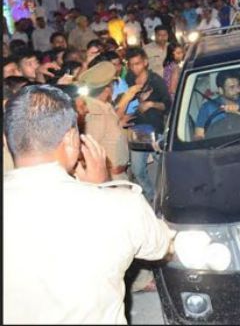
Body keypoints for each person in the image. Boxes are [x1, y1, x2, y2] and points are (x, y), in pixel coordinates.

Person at [3, 85, 173, 324]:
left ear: (5, 139)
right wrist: (105, 187)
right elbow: (161, 246)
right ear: (72, 139)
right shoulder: (119, 206)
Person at [119, 48, 171, 202]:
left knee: (165, 165)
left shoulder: (156, 81)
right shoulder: (127, 80)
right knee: (137, 169)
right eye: (132, 65)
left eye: (138, 64)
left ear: (145, 62)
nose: (135, 68)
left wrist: (151, 104)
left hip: (155, 129)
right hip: (136, 130)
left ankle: (170, 192)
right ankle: (152, 195)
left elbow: (167, 105)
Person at [78, 62, 130, 180]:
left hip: (115, 176)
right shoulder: (96, 112)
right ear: (107, 89)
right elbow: (89, 148)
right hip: (109, 179)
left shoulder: (103, 107)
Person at [194, 70, 240, 139]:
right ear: (221, 90)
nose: (237, 90)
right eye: (232, 87)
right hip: (219, 147)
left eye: (238, 86)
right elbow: (199, 136)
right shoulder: (207, 107)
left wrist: (239, 112)